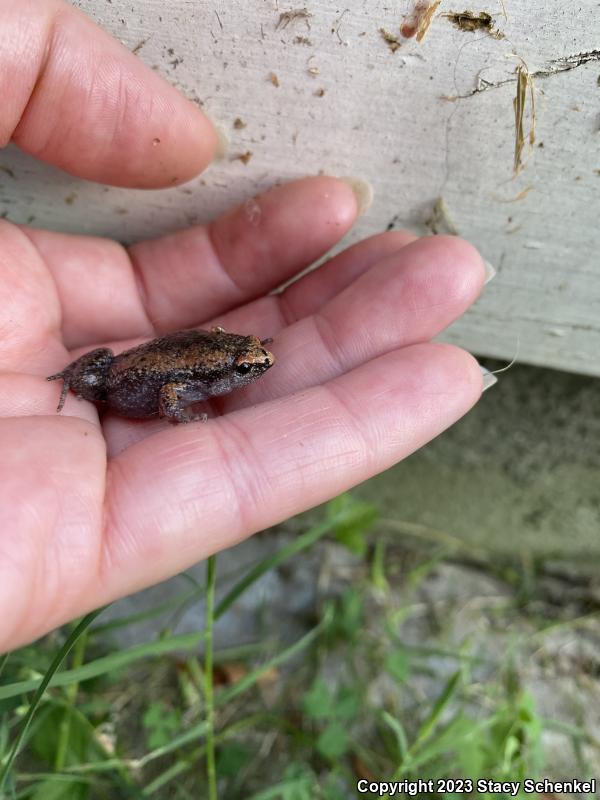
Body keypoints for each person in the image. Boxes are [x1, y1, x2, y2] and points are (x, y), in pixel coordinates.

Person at [0, 0, 494, 654]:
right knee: (90, 372)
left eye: (250, 360)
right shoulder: (189, 382)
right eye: (245, 365)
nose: (255, 364)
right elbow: (175, 393)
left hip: (145, 360)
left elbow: (196, 362)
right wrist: (180, 416)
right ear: (223, 366)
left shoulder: (223, 361)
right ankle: (72, 375)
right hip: (120, 385)